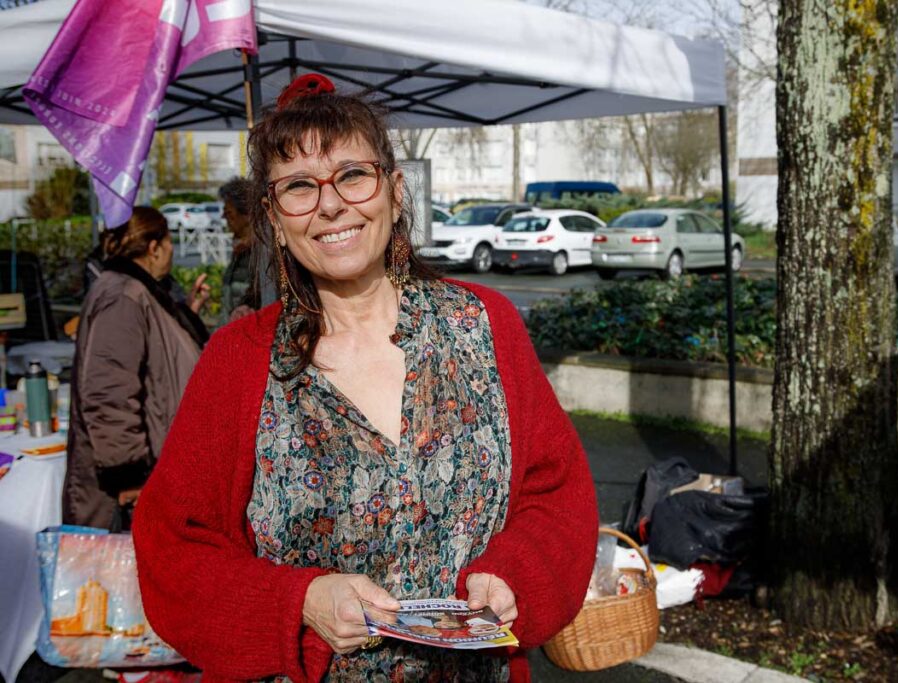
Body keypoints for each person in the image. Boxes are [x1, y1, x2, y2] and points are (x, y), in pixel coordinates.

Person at [132, 73, 598, 683]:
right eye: (299, 187)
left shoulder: (484, 325)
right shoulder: (238, 360)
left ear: (395, 190)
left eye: (352, 175)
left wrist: (516, 573)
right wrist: (296, 601)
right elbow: (173, 547)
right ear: (272, 217)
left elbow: (556, 493)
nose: (330, 204)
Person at [64, 207, 209, 530]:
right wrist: (127, 476)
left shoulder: (137, 292)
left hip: (156, 475)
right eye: (169, 241)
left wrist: (187, 312)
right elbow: (108, 393)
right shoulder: (122, 295)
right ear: (153, 247)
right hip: (129, 493)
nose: (173, 250)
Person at [218, 176, 261, 321]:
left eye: (229, 213)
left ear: (247, 215)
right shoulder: (241, 250)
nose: (223, 216)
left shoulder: (262, 254)